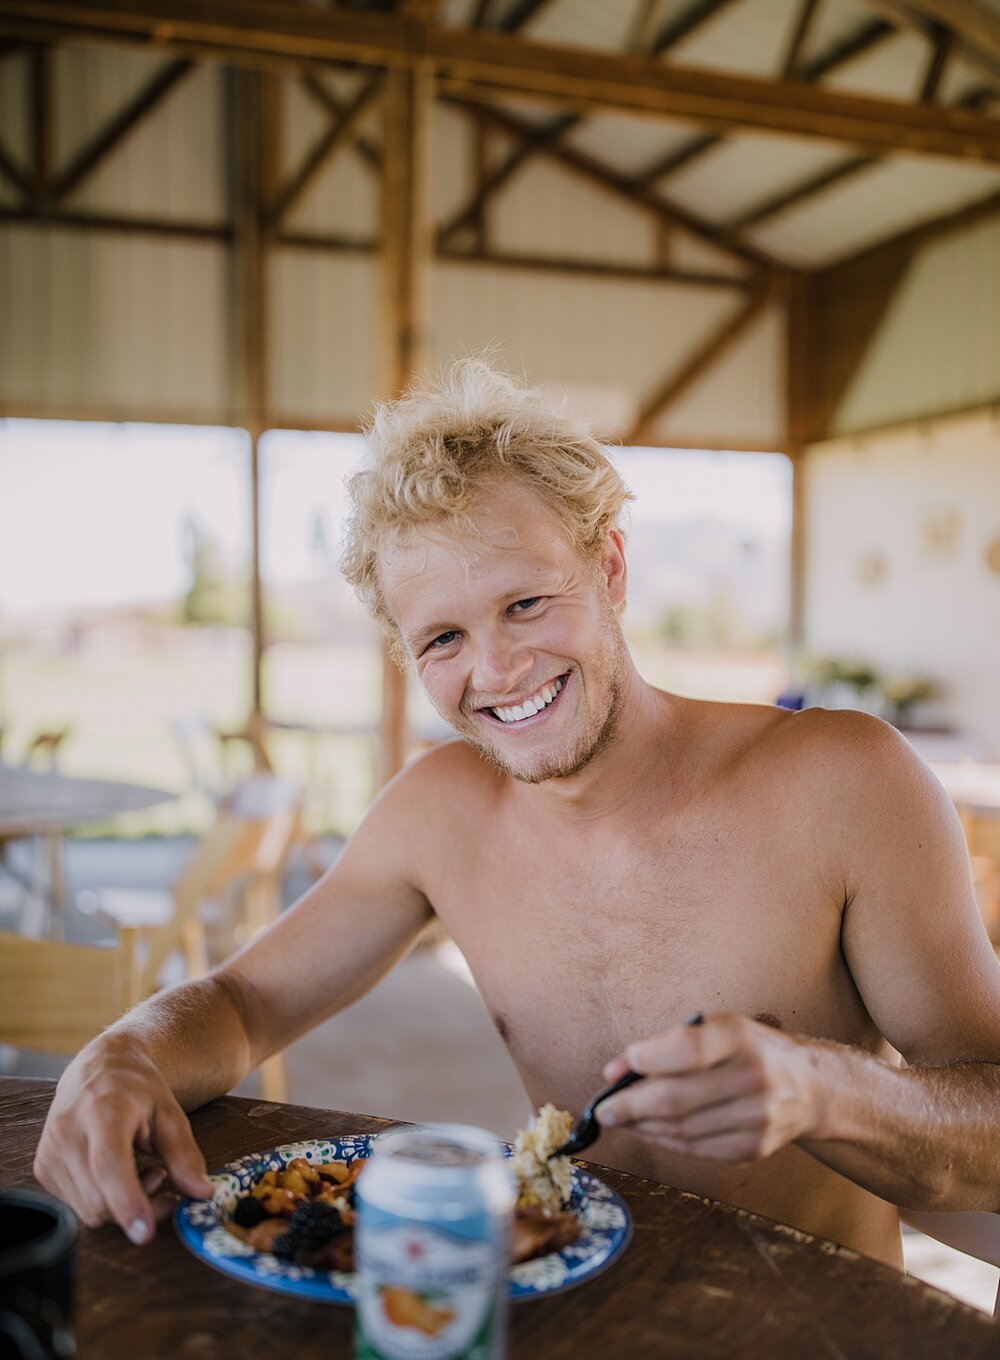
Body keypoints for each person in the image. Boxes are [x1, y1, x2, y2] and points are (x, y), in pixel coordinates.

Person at [34, 361, 1000, 1267]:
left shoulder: (845, 780)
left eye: (529, 604)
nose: (495, 671)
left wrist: (822, 1090)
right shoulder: (438, 812)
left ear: (611, 571)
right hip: (574, 1323)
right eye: (444, 637)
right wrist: (122, 1053)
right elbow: (243, 1007)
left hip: (827, 1356)